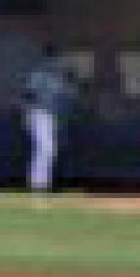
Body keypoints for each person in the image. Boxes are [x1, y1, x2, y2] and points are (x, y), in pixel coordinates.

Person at [21, 46, 80, 195]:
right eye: (56, 57)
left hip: (51, 116)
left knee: (48, 150)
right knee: (44, 148)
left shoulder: (60, 77)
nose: (58, 61)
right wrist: (27, 113)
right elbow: (28, 95)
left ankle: (41, 185)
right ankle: (37, 186)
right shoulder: (40, 74)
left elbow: (71, 97)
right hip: (39, 113)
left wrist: (71, 80)